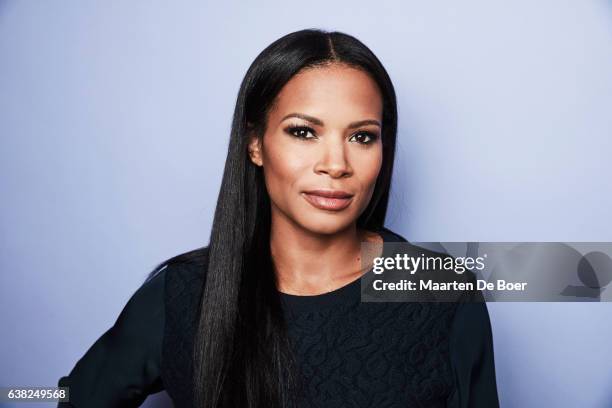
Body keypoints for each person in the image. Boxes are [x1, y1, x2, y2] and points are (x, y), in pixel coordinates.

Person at [57, 29, 499, 408]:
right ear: (255, 144)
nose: (336, 164)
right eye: (304, 132)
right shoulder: (183, 293)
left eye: (362, 136)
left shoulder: (443, 293)